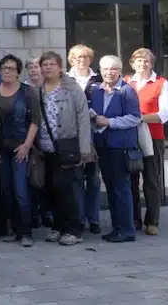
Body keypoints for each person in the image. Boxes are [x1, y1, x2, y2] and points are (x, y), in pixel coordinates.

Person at [38, 51, 91, 246]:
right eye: (45, 64)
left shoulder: (71, 88)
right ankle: (58, 226)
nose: (48, 68)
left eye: (52, 64)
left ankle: (74, 230)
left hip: (68, 147)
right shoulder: (39, 89)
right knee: (53, 189)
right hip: (46, 148)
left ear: (60, 67)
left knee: (70, 189)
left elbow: (83, 118)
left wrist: (84, 149)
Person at [91, 55, 141, 243]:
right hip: (103, 146)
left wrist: (110, 122)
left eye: (113, 69)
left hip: (120, 147)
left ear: (120, 71)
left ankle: (127, 230)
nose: (109, 72)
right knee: (111, 188)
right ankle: (117, 228)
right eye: (105, 69)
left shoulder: (127, 91)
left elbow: (135, 117)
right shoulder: (96, 90)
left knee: (121, 189)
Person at [0, 55, 40, 247]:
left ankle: (26, 232)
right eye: (4, 68)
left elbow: (36, 120)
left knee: (21, 190)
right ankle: (12, 229)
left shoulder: (27, 92)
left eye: (11, 68)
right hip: (0, 148)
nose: (7, 71)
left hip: (21, 148)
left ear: (18, 72)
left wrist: (27, 145)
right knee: (6, 190)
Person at [126, 48, 168, 236]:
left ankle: (152, 221)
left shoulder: (161, 83)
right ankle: (134, 219)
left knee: (151, 180)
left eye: (146, 61)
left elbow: (164, 114)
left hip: (153, 137)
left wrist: (138, 118)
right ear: (132, 63)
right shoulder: (127, 82)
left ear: (151, 64)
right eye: (138, 61)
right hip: (129, 137)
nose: (142, 64)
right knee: (131, 180)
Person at [67, 44, 102, 235]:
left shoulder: (99, 79)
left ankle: (94, 219)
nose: (81, 60)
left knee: (94, 180)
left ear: (91, 59)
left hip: (95, 135)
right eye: (77, 57)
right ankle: (79, 218)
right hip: (74, 137)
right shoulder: (65, 79)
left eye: (85, 57)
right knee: (76, 179)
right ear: (71, 60)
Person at [25, 57, 51, 228]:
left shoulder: (48, 87)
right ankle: (34, 214)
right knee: (33, 179)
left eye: (36, 66)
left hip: (48, 139)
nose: (34, 70)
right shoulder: (24, 89)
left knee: (48, 179)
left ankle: (47, 213)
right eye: (30, 67)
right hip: (30, 139)